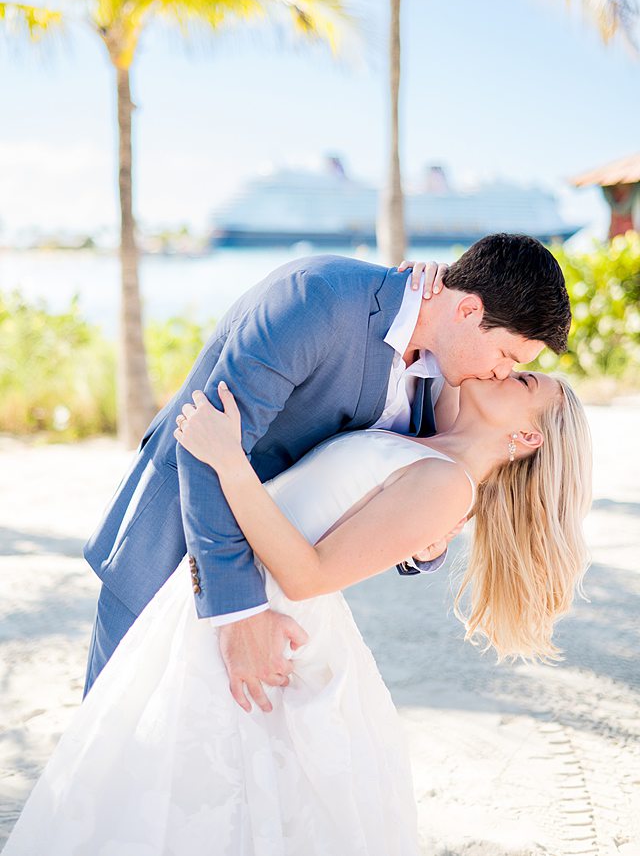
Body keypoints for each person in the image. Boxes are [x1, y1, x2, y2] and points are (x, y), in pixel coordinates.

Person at [3, 365, 592, 855]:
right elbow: (458, 340)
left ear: (528, 438)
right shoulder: (438, 440)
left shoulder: (450, 486)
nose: (503, 368)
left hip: (268, 620)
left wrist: (229, 462)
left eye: (523, 381)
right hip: (231, 598)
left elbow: (308, 574)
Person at [82, 233, 572, 716]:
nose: (502, 372)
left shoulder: (448, 376)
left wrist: (427, 543)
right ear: (468, 312)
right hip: (173, 548)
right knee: (109, 746)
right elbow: (203, 439)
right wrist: (238, 612)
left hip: (277, 598)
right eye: (508, 356)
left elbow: (409, 483)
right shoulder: (317, 299)